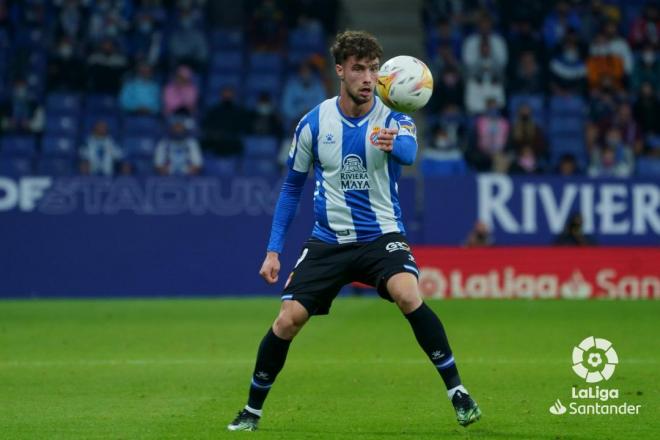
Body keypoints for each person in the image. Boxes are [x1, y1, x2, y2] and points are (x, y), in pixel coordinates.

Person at [227, 30, 481, 432]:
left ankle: (459, 393)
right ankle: (251, 411)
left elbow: (410, 153)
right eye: (359, 69)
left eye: (374, 69)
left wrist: (392, 144)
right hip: (329, 241)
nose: (367, 77)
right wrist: (274, 249)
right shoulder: (313, 123)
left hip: (382, 237)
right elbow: (292, 187)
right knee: (287, 320)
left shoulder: (396, 119)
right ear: (340, 70)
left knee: (407, 293)